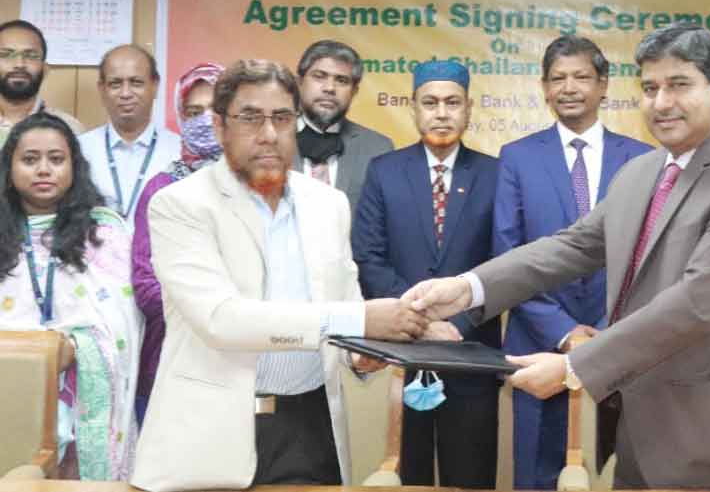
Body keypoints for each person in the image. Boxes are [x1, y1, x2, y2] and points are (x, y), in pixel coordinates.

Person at [403, 22, 710, 491]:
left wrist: (575, 367)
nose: (661, 102)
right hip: (637, 422)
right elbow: (573, 245)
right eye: (650, 88)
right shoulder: (642, 172)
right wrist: (468, 288)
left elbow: (698, 302)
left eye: (678, 85)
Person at [131, 60, 428, 491]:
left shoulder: (329, 205)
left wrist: (361, 354)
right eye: (251, 117)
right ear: (220, 126)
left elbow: (344, 306)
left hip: (309, 429)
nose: (269, 133)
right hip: (208, 433)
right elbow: (221, 320)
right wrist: (359, 320)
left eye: (282, 118)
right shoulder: (180, 205)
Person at [494, 35, 651, 489]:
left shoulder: (643, 160)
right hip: (537, 342)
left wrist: (603, 332)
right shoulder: (517, 157)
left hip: (618, 344)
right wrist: (564, 332)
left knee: (614, 474)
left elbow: (648, 257)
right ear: (544, 88)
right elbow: (509, 256)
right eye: (558, 78)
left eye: (581, 76)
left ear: (604, 85)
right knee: (537, 476)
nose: (569, 87)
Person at [352, 60, 501, 488]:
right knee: (408, 474)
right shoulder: (384, 171)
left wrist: (456, 323)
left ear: (468, 109)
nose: (441, 113)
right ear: (414, 108)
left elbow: (505, 261)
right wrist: (421, 323)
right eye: (430, 103)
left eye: (452, 103)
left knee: (470, 478)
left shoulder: (496, 174)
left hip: (472, 352)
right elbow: (369, 257)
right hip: (403, 353)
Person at [0, 112, 141, 480]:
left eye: (56, 159)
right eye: (30, 159)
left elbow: (123, 327)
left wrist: (76, 350)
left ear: (74, 168)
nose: (43, 169)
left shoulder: (103, 235)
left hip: (79, 398)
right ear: (9, 170)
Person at [129, 63, 225, 423]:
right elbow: (145, 283)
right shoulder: (160, 188)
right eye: (193, 111)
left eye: (214, 109)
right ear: (179, 116)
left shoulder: (255, 185)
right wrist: (212, 313)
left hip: (240, 359)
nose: (204, 120)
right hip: (170, 354)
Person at [77, 45, 181, 219]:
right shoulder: (80, 150)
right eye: (115, 84)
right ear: (102, 89)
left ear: (155, 86)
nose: (125, 93)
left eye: (136, 82)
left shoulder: (178, 151)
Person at [292, 40, 393, 212]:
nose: (330, 88)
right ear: (299, 82)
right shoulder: (270, 140)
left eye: (342, 80)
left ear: (354, 91)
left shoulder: (378, 148)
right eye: (319, 76)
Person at [0, 19, 83, 145]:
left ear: (45, 69)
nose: (19, 64)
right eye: (6, 55)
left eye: (31, 55)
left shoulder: (70, 128)